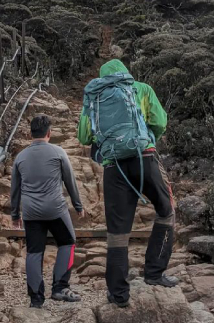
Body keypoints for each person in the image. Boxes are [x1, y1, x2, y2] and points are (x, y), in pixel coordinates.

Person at [77, 59, 177, 308]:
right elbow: (160, 122)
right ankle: (154, 273)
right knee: (166, 211)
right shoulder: (141, 89)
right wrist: (148, 137)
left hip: (114, 167)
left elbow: (83, 136)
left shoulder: (95, 96)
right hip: (145, 159)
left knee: (117, 233)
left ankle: (119, 294)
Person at [10, 114, 86, 308]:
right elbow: (70, 181)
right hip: (55, 209)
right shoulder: (58, 152)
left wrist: (15, 215)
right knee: (68, 242)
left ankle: (36, 297)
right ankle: (60, 288)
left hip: (30, 212)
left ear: (30, 133)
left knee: (34, 251)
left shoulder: (20, 157)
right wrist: (78, 206)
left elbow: (15, 190)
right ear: (49, 133)